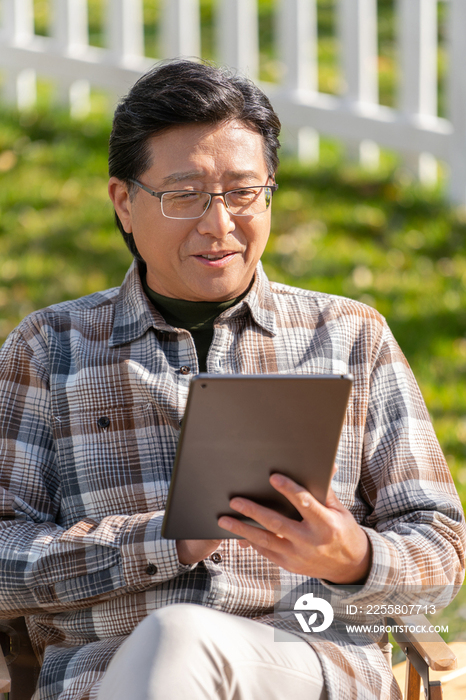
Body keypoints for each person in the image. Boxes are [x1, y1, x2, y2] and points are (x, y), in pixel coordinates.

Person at [0, 59, 464, 700]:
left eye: (243, 192)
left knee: (182, 642)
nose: (219, 224)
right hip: (105, 680)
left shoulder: (352, 337)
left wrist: (354, 555)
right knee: (172, 640)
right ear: (123, 203)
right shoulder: (49, 350)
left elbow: (441, 553)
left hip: (303, 665)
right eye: (183, 194)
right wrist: (163, 539)